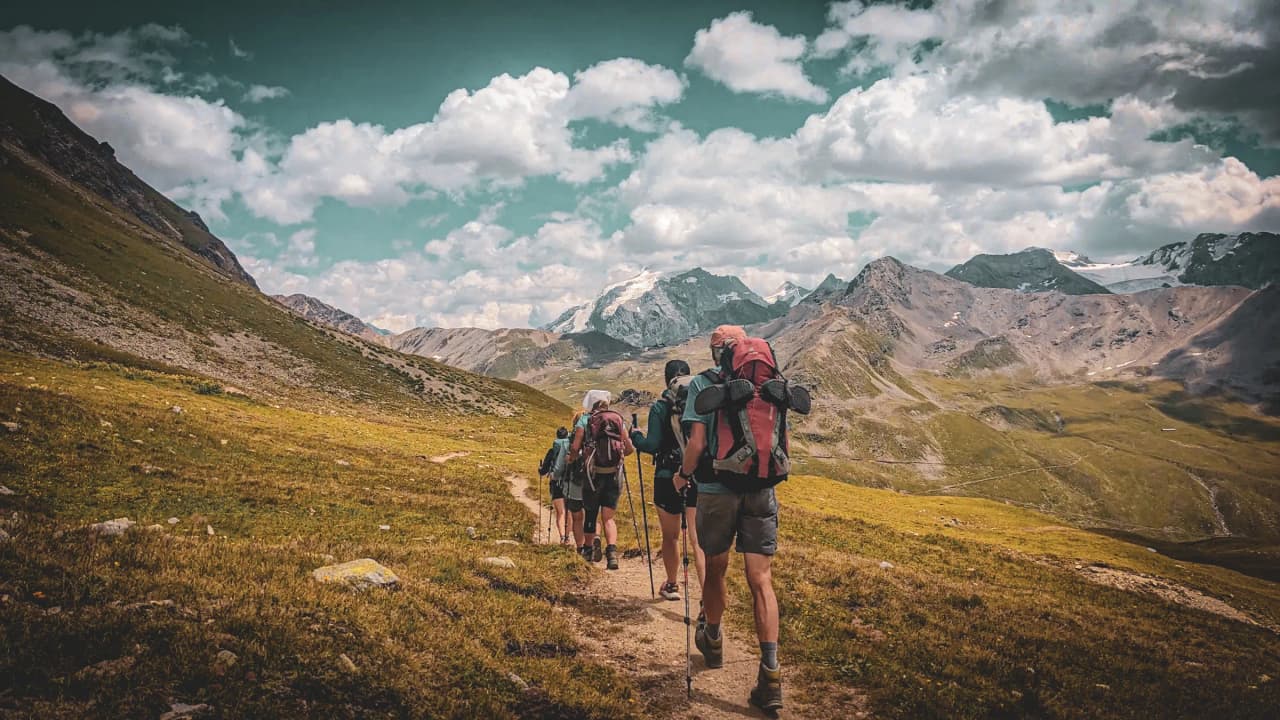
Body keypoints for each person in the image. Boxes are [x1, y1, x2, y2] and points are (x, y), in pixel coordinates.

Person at [677, 324, 783, 714]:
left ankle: (715, 638)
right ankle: (770, 674)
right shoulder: (769, 383)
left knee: (717, 569)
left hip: (716, 489)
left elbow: (698, 443)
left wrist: (683, 475)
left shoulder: (703, 386)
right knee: (761, 580)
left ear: (717, 350)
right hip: (761, 487)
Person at [630, 359, 706, 602]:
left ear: (667, 379)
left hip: (666, 477)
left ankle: (672, 585)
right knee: (698, 541)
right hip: (695, 475)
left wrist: (636, 437)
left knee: (671, 536)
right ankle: (708, 601)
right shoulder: (699, 403)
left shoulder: (660, 407)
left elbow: (651, 445)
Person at [569, 389, 634, 570]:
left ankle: (588, 551)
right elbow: (629, 449)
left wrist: (573, 458)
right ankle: (612, 555)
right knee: (608, 517)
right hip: (614, 474)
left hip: (592, 475)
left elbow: (575, 447)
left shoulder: (585, 420)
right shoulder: (617, 419)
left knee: (591, 513)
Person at [541, 427, 572, 544]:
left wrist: (541, 470)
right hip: (569, 482)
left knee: (560, 512)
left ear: (557, 436)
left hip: (556, 483)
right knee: (569, 512)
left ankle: (562, 537)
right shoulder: (570, 448)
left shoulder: (552, 450)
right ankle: (568, 537)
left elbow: (543, 470)